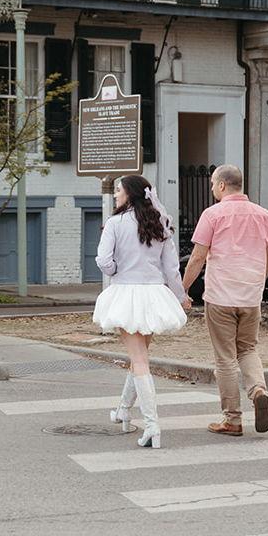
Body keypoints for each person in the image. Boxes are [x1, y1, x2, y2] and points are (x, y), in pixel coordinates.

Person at [180, 164, 268, 436]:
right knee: (247, 349)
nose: (212, 188)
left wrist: (183, 289)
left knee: (225, 358)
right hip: (250, 296)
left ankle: (232, 419)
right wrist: (257, 283)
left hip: (220, 296)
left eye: (213, 184)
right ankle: (258, 390)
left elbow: (198, 256)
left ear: (222, 185)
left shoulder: (212, 214)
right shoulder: (263, 215)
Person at [92, 174, 188, 449]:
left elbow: (103, 261)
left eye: (118, 190)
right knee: (140, 357)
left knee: (140, 361)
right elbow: (171, 268)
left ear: (130, 194)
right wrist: (181, 296)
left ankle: (152, 426)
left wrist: (115, 270)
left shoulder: (114, 223)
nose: (115, 195)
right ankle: (123, 409)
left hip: (127, 292)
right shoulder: (160, 222)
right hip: (154, 294)